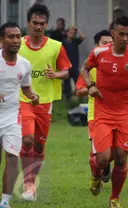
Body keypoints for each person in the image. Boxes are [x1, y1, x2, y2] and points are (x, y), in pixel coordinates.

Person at [80, 16, 128, 208]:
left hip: (125, 113)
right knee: (102, 159)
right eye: (121, 34)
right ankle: (96, 175)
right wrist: (91, 85)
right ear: (113, 34)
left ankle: (114, 198)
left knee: (120, 157)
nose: (125, 38)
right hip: (102, 112)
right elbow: (84, 69)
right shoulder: (99, 52)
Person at [18, 3, 71, 201]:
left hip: (45, 102)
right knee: (27, 139)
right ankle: (28, 185)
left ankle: (31, 182)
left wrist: (56, 74)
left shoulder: (56, 46)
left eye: (42, 23)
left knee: (39, 146)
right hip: (22, 99)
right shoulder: (18, 44)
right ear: (28, 23)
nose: (38, 27)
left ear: (46, 25)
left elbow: (66, 71)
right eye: (34, 23)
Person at [0, 22, 39, 208]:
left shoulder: (24, 64)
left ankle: (5, 201)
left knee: (13, 157)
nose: (15, 40)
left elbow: (26, 88)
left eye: (18, 37)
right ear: (2, 40)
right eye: (10, 37)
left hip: (12, 117)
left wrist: (33, 96)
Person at [76, 30, 113, 185]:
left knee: (115, 152)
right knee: (97, 152)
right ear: (96, 45)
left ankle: (105, 166)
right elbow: (79, 91)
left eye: (111, 43)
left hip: (118, 113)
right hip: (96, 114)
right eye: (104, 43)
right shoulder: (90, 66)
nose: (108, 46)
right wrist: (92, 87)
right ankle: (96, 176)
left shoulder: (120, 63)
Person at [62, 26, 85, 100]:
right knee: (67, 84)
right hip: (67, 67)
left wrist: (77, 29)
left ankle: (80, 97)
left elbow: (83, 36)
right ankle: (67, 98)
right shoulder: (64, 43)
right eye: (70, 32)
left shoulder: (75, 42)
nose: (71, 34)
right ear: (67, 33)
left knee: (78, 83)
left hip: (75, 67)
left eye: (73, 33)